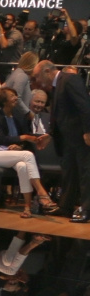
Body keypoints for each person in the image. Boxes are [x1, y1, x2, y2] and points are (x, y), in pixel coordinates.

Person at [33, 59, 90, 222]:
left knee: (86, 173)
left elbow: (85, 106)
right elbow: (60, 114)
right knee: (69, 173)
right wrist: (50, 134)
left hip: (81, 137)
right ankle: (65, 206)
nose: (37, 81)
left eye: (37, 76)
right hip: (69, 139)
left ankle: (87, 210)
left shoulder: (70, 80)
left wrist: (88, 131)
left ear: (47, 71)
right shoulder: (57, 85)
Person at [0, 87, 54, 218]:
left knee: (23, 167)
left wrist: (20, 145)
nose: (16, 98)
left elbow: (23, 140)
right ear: (4, 100)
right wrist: (23, 138)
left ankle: (27, 207)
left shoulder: (18, 117)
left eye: (16, 95)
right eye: (12, 96)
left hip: (14, 154)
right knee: (28, 155)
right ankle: (41, 191)